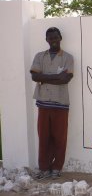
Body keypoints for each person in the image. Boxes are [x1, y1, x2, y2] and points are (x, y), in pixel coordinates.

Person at [30, 27, 74, 180]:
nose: (53, 40)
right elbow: (34, 77)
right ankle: (43, 168)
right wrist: (56, 77)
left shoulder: (68, 57)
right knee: (43, 137)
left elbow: (66, 79)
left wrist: (44, 77)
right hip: (43, 103)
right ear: (46, 40)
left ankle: (56, 168)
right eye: (50, 38)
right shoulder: (39, 56)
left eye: (56, 37)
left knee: (60, 138)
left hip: (61, 103)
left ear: (60, 37)